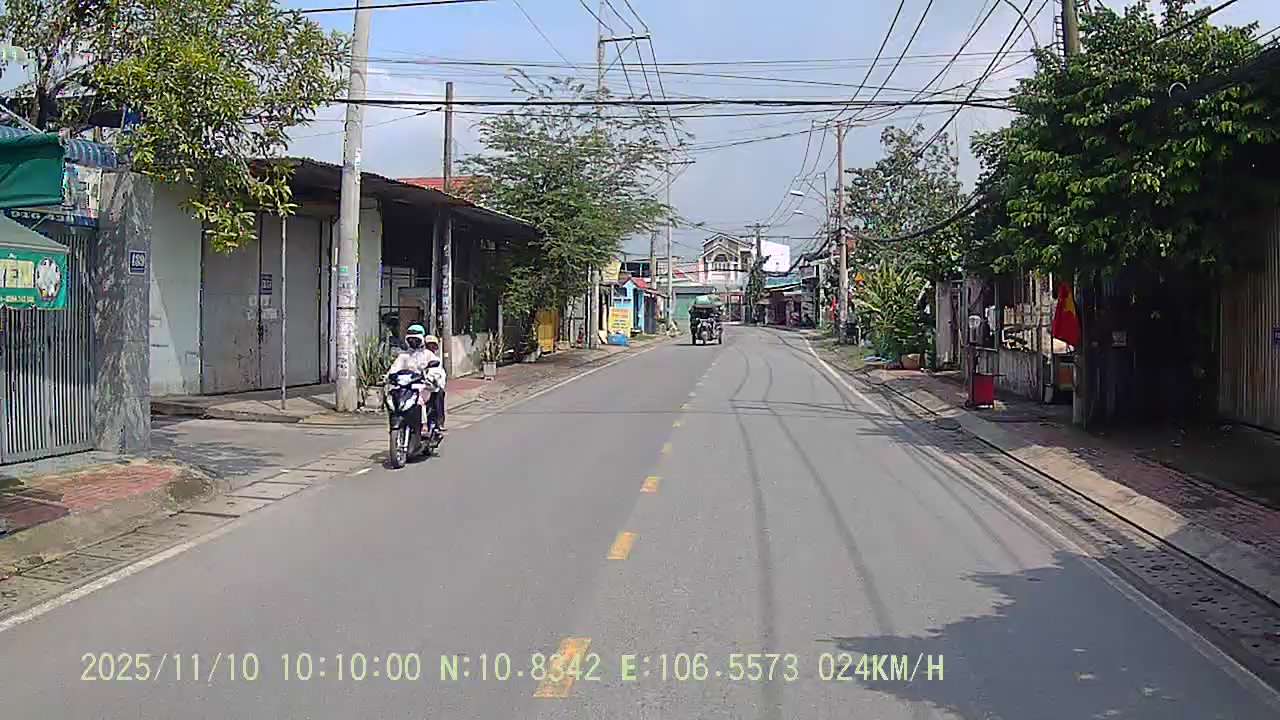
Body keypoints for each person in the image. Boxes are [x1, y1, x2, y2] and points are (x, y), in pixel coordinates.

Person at [387, 324, 447, 431]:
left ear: (421, 339)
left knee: (420, 400)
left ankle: (424, 425)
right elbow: (394, 369)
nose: (413, 342)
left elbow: (437, 370)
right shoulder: (403, 356)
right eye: (411, 340)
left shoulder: (427, 354)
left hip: (423, 386)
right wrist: (389, 377)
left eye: (416, 339)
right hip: (406, 386)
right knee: (393, 398)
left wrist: (431, 377)